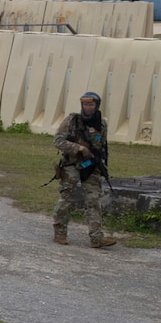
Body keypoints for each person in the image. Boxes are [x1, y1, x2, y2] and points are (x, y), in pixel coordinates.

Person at [52, 91, 116, 248]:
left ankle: (97, 238)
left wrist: (101, 164)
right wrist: (78, 148)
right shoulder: (72, 121)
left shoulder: (102, 124)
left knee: (93, 200)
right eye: (85, 104)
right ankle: (60, 233)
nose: (87, 107)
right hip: (71, 165)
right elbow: (58, 141)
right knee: (66, 198)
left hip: (90, 166)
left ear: (97, 105)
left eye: (91, 104)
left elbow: (102, 146)